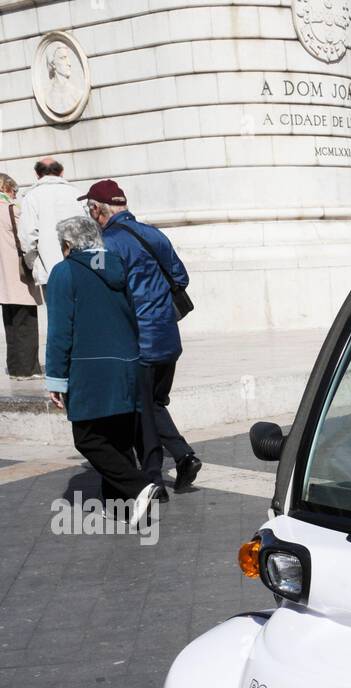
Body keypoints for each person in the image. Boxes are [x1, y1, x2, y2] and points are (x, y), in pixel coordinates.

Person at [81, 179, 202, 493]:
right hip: (167, 338)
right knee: (153, 405)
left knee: (143, 411)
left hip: (137, 342)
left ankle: (153, 480)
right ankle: (183, 455)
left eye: (89, 208)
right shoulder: (154, 234)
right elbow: (181, 277)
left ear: (97, 209)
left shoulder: (104, 244)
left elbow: (100, 294)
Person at [44, 216, 165, 526]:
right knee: (117, 438)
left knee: (87, 439)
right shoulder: (115, 265)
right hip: (127, 363)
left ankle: (139, 487)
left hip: (90, 369)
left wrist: (56, 378)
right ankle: (120, 508)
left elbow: (60, 330)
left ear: (67, 245)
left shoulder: (64, 271)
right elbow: (132, 317)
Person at [0, 173, 42, 378]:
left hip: (2, 280)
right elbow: (28, 236)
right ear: (6, 188)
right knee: (26, 321)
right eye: (14, 190)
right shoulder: (13, 209)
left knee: (10, 324)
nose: (15, 194)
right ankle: (28, 369)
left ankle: (16, 367)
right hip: (18, 274)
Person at [16, 158, 82, 288]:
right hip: (81, 266)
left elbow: (27, 237)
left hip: (49, 269)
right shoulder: (77, 193)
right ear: (62, 172)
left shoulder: (31, 197)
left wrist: (33, 264)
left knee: (56, 307)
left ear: (37, 174)